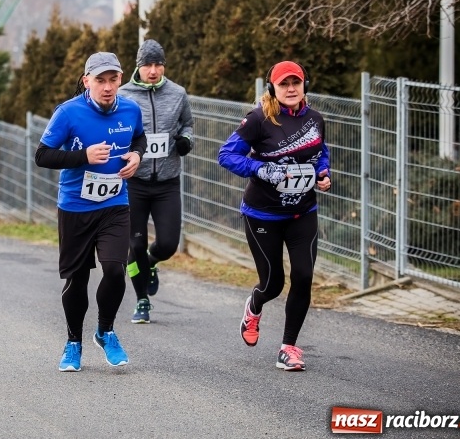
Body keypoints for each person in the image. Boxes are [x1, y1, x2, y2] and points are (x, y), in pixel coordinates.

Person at [35, 52, 146, 371]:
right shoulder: (68, 113)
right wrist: (83, 156)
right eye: (100, 80)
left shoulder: (130, 109)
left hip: (115, 204)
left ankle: (105, 331)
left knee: (115, 270)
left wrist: (137, 156)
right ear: (87, 81)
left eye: (113, 79)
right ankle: (73, 343)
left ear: (121, 79)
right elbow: (42, 155)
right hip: (75, 207)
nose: (108, 87)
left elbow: (139, 137)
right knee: (77, 280)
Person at [217, 60, 331, 371]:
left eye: (296, 82)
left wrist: (323, 173)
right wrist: (262, 169)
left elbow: (321, 153)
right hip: (262, 215)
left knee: (304, 277)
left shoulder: (316, 120)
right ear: (273, 88)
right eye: (285, 84)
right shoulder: (258, 119)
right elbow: (225, 155)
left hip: (302, 212)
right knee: (273, 284)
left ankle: (289, 348)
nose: (292, 89)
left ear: (305, 84)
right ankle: (254, 307)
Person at [117, 39, 194, 323]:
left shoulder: (177, 93)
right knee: (134, 245)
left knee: (168, 245)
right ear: (138, 66)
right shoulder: (124, 95)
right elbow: (114, 127)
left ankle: (151, 263)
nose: (153, 70)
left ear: (163, 65)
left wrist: (186, 140)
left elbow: (188, 124)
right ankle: (141, 301)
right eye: (147, 65)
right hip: (133, 182)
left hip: (166, 182)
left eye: (157, 64)